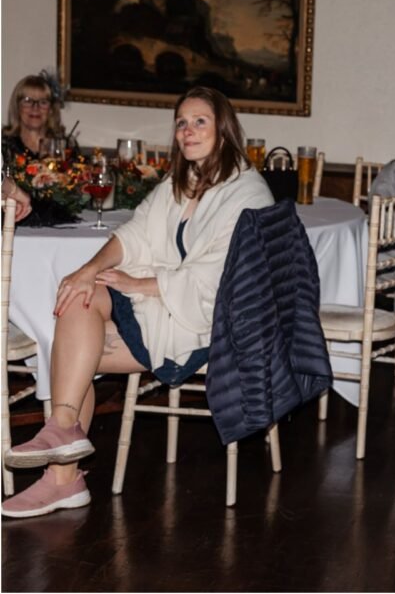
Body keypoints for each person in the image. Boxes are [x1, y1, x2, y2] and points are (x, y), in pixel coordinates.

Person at [1, 87, 273, 518]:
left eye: (199, 121)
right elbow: (135, 233)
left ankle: (62, 476)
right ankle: (64, 437)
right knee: (79, 297)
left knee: (73, 347)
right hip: (163, 302)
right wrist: (88, 270)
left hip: (209, 322)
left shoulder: (247, 193)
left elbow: (218, 279)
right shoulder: (182, 181)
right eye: (181, 122)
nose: (187, 130)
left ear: (224, 129)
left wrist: (140, 283)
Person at [2, 74, 74, 163]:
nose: (35, 108)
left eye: (43, 102)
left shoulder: (66, 146)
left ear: (51, 109)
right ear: (17, 107)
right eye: (28, 101)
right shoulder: (4, 145)